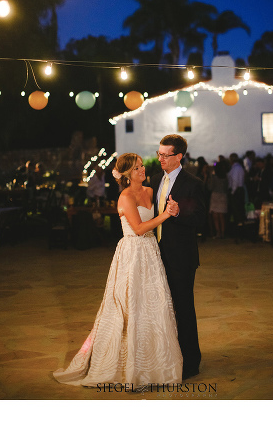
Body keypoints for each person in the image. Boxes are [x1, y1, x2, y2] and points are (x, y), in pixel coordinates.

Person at [53, 153, 182, 388]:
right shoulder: (125, 197)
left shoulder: (151, 191)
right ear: (126, 175)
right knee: (128, 305)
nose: (142, 171)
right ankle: (129, 364)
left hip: (151, 253)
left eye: (142, 166)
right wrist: (165, 215)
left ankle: (156, 363)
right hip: (132, 254)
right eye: (136, 169)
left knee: (153, 304)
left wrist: (171, 207)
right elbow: (139, 228)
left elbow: (161, 214)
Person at [151, 134, 206, 380]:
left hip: (181, 258)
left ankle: (191, 362)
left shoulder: (193, 183)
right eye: (159, 154)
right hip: (155, 256)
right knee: (162, 309)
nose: (160, 158)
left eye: (165, 155)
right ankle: (168, 356)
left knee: (183, 309)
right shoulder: (155, 180)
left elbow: (201, 220)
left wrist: (179, 211)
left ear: (178, 157)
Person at [208, 160, 229, 238]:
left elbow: (210, 187)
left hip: (215, 196)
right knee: (222, 216)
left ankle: (218, 232)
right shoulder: (225, 177)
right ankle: (223, 232)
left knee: (215, 216)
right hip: (223, 196)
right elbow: (227, 187)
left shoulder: (214, 177)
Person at [228, 153, 246, 226]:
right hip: (239, 190)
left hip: (236, 191)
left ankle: (239, 230)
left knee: (237, 211)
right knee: (240, 210)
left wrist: (232, 192)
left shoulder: (235, 168)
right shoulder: (239, 167)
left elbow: (235, 181)